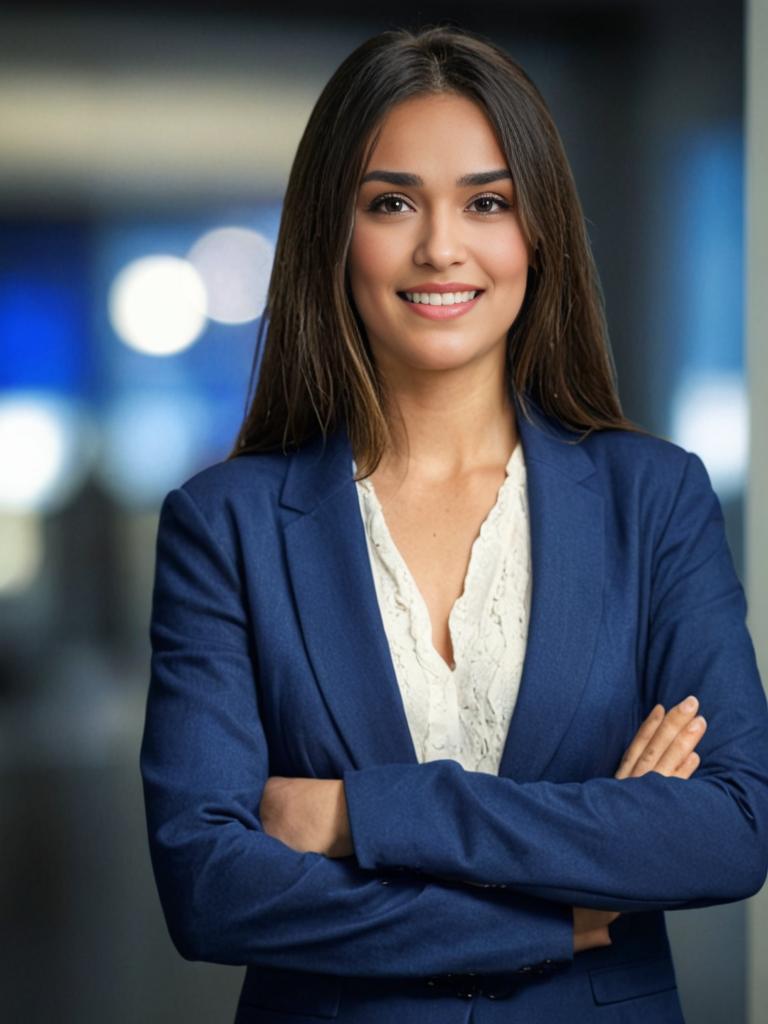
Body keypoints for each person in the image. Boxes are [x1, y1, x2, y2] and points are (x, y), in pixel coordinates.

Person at [139, 24, 768, 1024]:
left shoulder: (654, 498)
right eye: (392, 203)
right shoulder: (227, 524)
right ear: (333, 235)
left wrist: (362, 814)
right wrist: (560, 906)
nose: (442, 246)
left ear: (538, 232)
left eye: (488, 202)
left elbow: (727, 829)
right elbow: (210, 887)